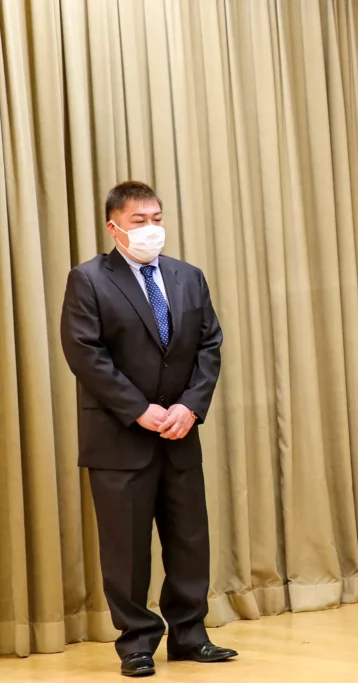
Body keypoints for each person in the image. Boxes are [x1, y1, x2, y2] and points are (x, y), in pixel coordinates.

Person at [60, 182, 236, 677]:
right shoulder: (89, 279)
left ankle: (190, 634)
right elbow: (85, 355)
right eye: (140, 220)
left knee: (188, 539)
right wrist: (138, 409)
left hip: (180, 433)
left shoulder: (187, 277)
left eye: (157, 217)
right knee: (127, 547)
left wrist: (191, 407)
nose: (151, 228)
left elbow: (209, 346)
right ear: (114, 226)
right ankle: (136, 642)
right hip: (119, 438)